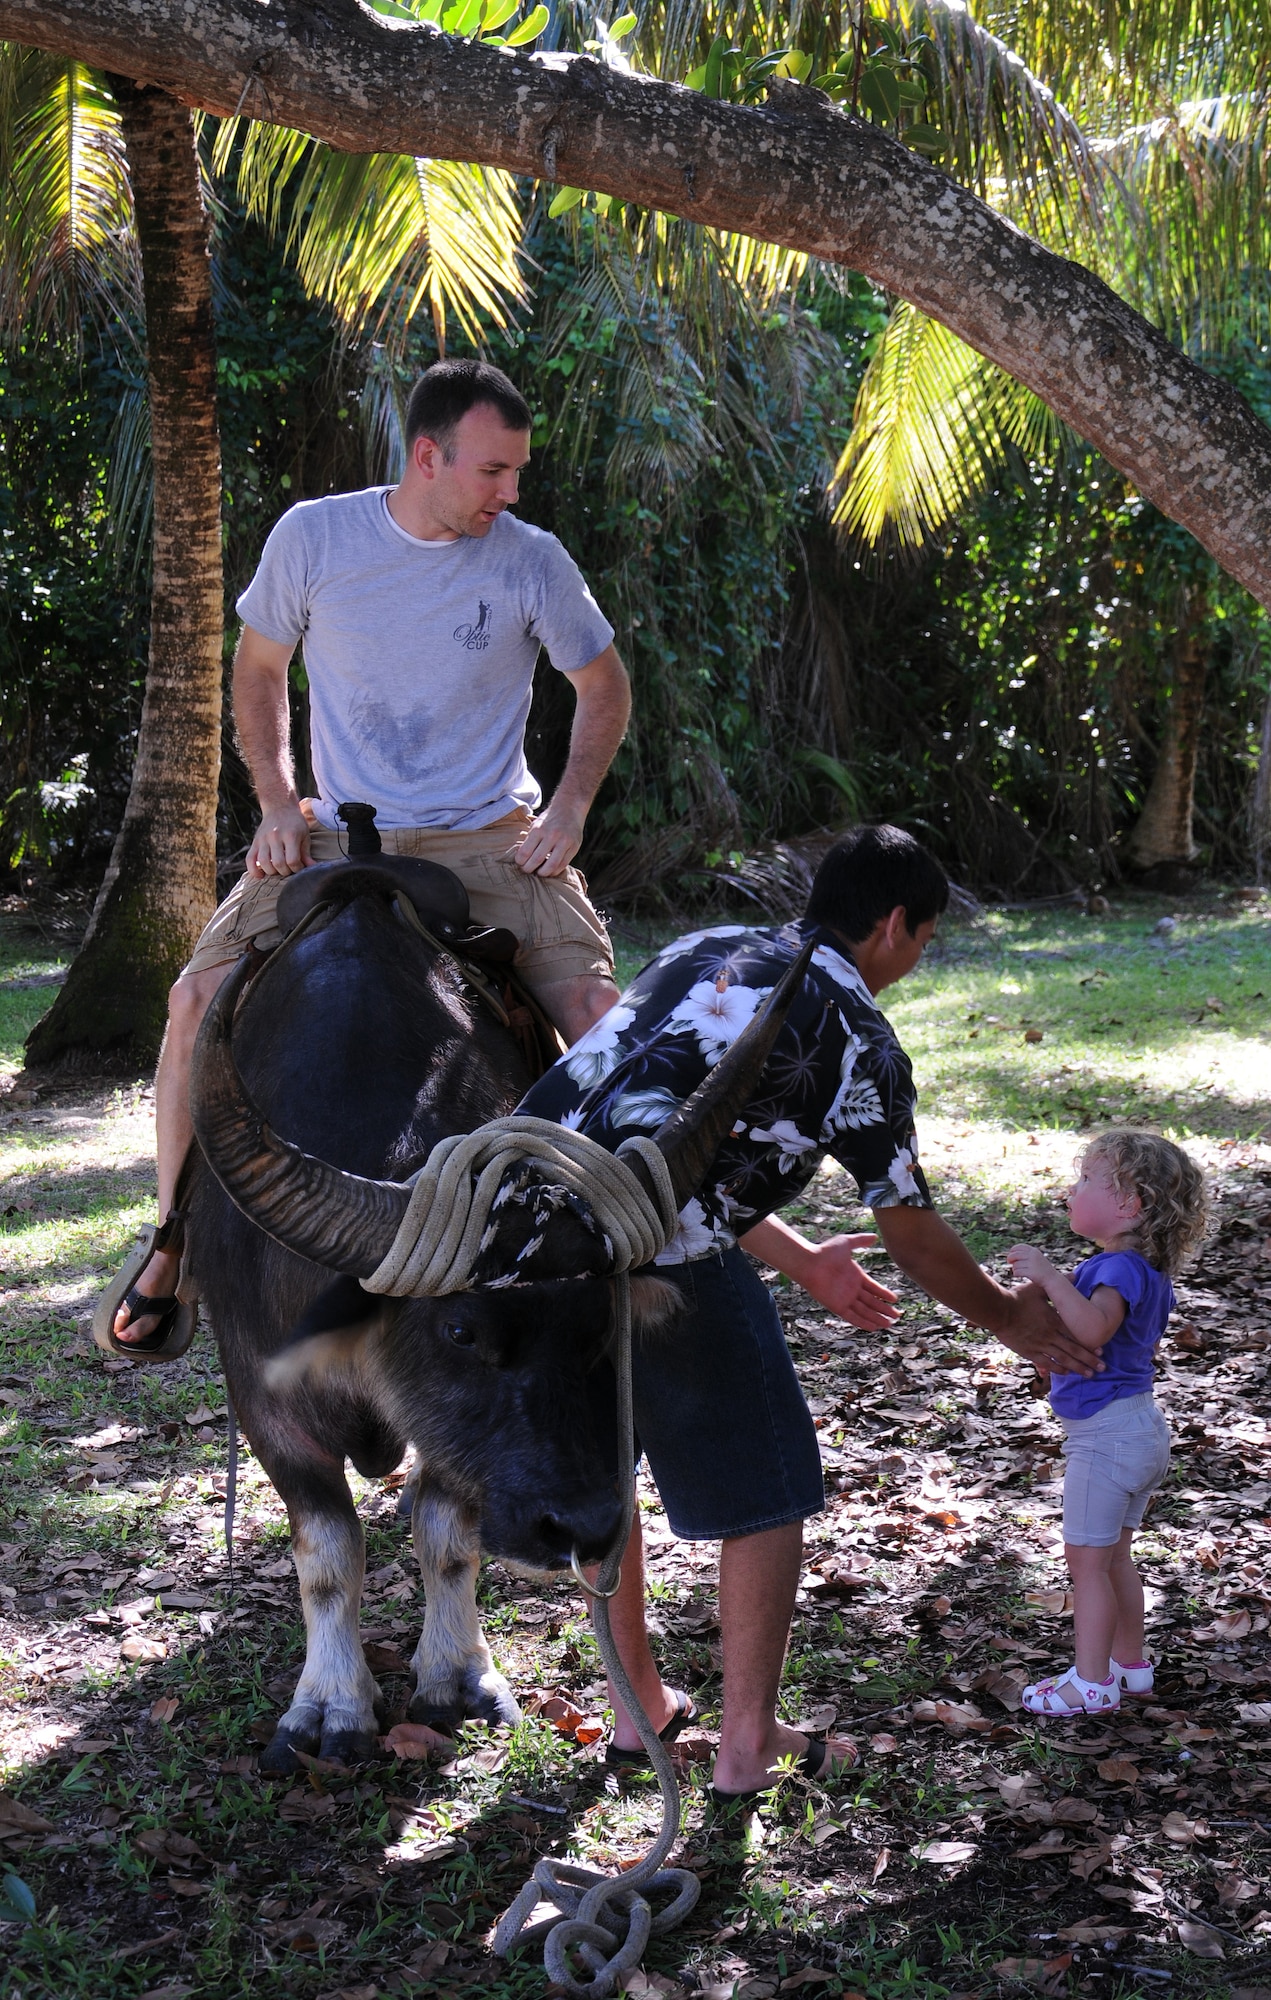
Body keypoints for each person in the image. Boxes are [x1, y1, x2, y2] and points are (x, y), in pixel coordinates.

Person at [518, 823, 1100, 1800]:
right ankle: (746, 1743)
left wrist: (799, 1258)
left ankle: (637, 1710)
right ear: (889, 925)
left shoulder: (705, 948)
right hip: (655, 1262)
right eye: (922, 938)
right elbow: (911, 1232)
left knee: (604, 1481)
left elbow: (659, 1129)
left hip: (524, 1235)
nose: (915, 959)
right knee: (768, 1488)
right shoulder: (858, 1038)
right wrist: (1010, 1316)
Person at [106, 358, 630, 1353]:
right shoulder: (315, 536)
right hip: (338, 837)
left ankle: (623, 1244)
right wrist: (272, 801)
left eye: (516, 473)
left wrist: (566, 808)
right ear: (426, 455)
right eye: (492, 471)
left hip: (487, 837)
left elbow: (602, 686)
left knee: (599, 1019)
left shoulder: (531, 559)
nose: (509, 492)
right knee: (189, 1002)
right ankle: (173, 1237)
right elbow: (258, 669)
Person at [1006, 1130, 1208, 1717]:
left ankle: (1090, 1684)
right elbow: (1095, 1339)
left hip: (1106, 1441)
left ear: (1129, 1203)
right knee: (1116, 1558)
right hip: (1136, 1431)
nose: (1071, 1190)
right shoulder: (1136, 1268)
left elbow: (1094, 1330)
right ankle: (1130, 1665)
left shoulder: (1114, 1268)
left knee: (1087, 1567)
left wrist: (1048, 1276)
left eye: (1086, 1180)